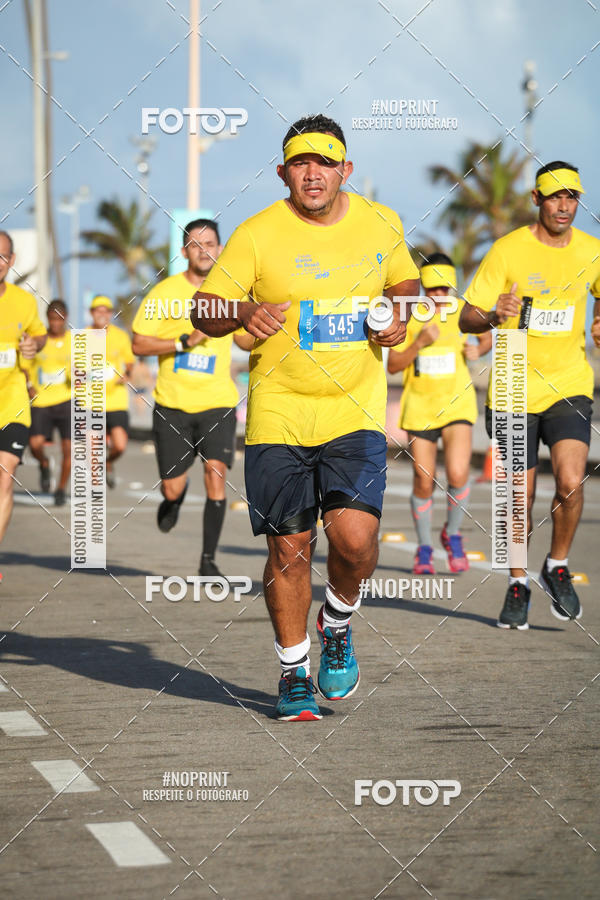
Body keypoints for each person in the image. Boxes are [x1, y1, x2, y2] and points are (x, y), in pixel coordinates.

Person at [191, 114, 419, 721]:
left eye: (324, 162)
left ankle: (337, 621)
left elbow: (408, 285)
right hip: (279, 416)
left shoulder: (380, 221)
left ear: (346, 169)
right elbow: (203, 307)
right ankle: (293, 671)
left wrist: (400, 316)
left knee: (355, 539)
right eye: (300, 163)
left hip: (354, 412)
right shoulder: (258, 234)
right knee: (289, 549)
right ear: (282, 172)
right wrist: (243, 310)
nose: (312, 173)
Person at [459, 161, 600, 629]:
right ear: (536, 200)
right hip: (514, 384)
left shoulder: (592, 250)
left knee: (570, 481)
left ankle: (556, 565)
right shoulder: (507, 251)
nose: (564, 205)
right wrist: (493, 314)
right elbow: (466, 318)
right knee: (519, 497)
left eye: (572, 197)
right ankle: (518, 581)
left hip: (568, 385)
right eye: (555, 196)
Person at [131, 219, 253, 578]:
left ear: (220, 248)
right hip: (172, 404)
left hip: (218, 401)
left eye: (211, 243)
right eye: (196, 244)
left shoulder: (232, 292)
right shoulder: (164, 293)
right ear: (184, 251)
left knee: (216, 474)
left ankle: (208, 560)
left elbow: (245, 341)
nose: (204, 250)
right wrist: (182, 342)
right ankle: (173, 500)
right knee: (173, 485)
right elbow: (139, 343)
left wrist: (257, 327)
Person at [388, 254, 491, 574]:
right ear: (423, 288)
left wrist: (479, 349)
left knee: (459, 474)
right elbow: (393, 365)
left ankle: (453, 534)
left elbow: (486, 334)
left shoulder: (461, 313)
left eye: (445, 289)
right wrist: (419, 342)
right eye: (432, 289)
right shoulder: (410, 316)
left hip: (457, 405)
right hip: (420, 409)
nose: (439, 296)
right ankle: (423, 547)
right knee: (424, 479)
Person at [0, 230, 47, 570]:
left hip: (12, 399)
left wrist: (34, 346)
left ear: (11, 261)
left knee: (5, 474)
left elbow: (39, 334)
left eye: (3, 256)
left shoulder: (24, 300)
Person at [26, 299, 72, 506]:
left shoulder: (74, 341)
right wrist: (29, 384)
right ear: (47, 319)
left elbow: (83, 367)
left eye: (59, 319)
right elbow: (26, 364)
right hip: (41, 401)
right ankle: (44, 463)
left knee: (68, 449)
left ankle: (61, 488)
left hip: (66, 400)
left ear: (65, 318)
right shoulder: (39, 340)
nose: (55, 323)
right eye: (52, 319)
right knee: (35, 444)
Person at [88, 296, 135, 488]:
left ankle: (108, 462)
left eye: (106, 310)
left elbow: (130, 362)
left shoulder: (121, 336)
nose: (102, 314)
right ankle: (95, 488)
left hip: (116, 400)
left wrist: (127, 373)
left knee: (120, 445)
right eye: (98, 310)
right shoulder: (82, 336)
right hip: (90, 400)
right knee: (93, 448)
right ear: (92, 313)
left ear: (110, 314)